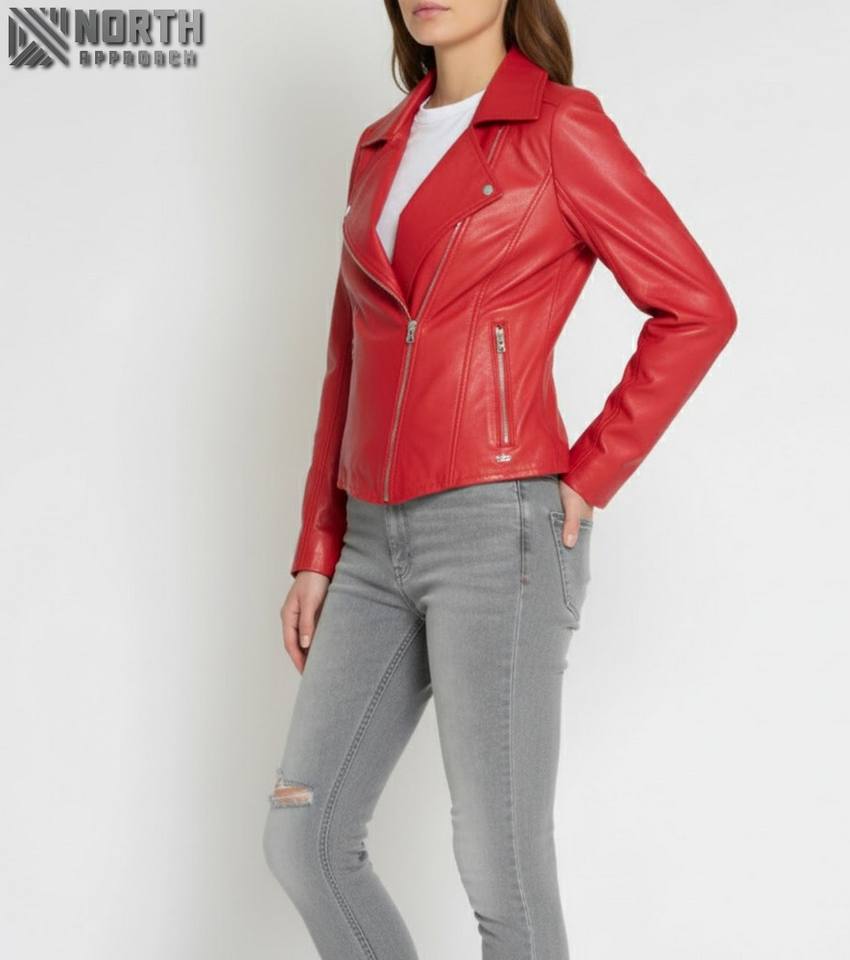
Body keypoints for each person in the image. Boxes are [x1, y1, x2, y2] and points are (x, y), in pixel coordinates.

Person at [262, 1, 737, 957]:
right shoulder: (379, 147)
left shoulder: (559, 127)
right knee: (304, 839)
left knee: (500, 872)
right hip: (367, 544)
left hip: (499, 530)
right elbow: (347, 357)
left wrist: (591, 472)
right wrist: (318, 545)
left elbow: (697, 308)